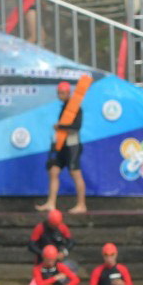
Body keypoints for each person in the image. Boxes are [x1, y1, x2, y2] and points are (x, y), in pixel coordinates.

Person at [41, 78, 90, 215]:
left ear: (68, 93)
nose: (59, 96)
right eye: (58, 93)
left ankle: (81, 204)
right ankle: (51, 203)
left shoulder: (76, 108)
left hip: (72, 145)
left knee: (75, 173)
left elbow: (76, 127)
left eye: (62, 93)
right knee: (53, 171)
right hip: (62, 145)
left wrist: (60, 127)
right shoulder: (64, 107)